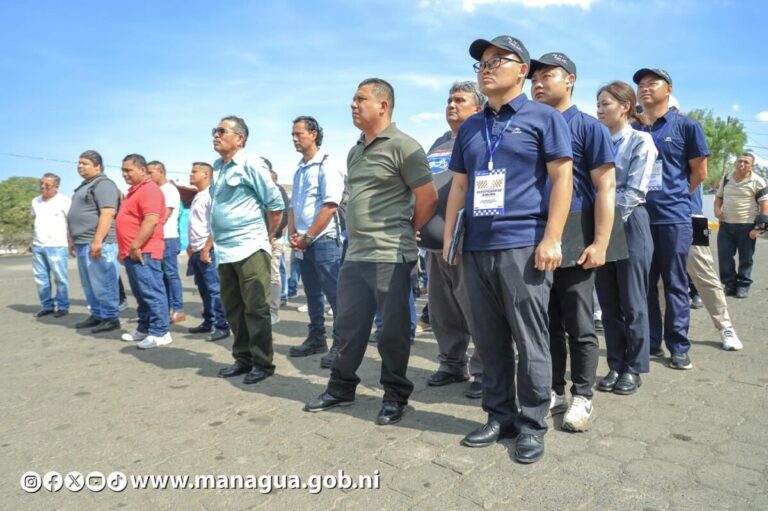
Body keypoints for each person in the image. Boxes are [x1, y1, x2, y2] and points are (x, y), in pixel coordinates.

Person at [443, 36, 573, 463]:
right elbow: (460, 185)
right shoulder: (473, 125)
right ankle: (500, 416)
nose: (487, 66)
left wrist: (553, 238)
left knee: (530, 338)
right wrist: (450, 239)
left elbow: (562, 180)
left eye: (498, 60)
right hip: (478, 247)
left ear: (522, 69)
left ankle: (533, 423)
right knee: (490, 339)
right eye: (483, 61)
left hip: (523, 245)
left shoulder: (544, 118)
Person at [304, 78, 437, 426]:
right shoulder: (355, 150)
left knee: (392, 332)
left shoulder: (405, 147)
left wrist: (408, 229)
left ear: (383, 105)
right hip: (355, 253)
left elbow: (428, 198)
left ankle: (395, 396)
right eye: (352, 98)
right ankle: (341, 388)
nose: (353, 104)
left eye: (360, 99)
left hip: (391, 254)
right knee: (348, 327)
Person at [529, 52, 615, 432]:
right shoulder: (528, 124)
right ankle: (552, 390)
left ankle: (583, 396)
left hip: (577, 234)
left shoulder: (587, 127)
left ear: (571, 80)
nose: (539, 82)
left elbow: (605, 186)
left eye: (548, 75)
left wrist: (600, 242)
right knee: (545, 322)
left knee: (578, 323)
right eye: (535, 77)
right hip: (534, 235)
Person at [633, 68, 708, 370]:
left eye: (653, 83)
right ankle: (651, 341)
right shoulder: (635, 129)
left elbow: (699, 173)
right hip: (638, 217)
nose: (645, 88)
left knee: (675, 283)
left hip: (673, 218)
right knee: (644, 284)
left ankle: (678, 345)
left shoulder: (687, 126)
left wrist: (675, 196)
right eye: (640, 84)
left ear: (669, 89)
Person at [419, 81, 485, 399]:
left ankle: (487, 370)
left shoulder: (484, 138)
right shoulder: (440, 143)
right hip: (435, 245)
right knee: (443, 310)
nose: (451, 105)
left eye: (460, 100)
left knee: (477, 309)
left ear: (479, 108)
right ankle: (451, 363)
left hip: (469, 244)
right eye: (449, 99)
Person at [210, 116, 284, 385]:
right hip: (225, 250)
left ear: (239, 138)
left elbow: (275, 204)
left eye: (221, 131)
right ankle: (243, 359)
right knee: (233, 307)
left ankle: (263, 363)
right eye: (214, 131)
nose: (215, 135)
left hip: (250, 247)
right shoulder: (218, 167)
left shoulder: (251, 163)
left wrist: (268, 236)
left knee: (256, 308)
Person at [593, 81, 656, 395]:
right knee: (608, 300)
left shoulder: (640, 141)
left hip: (629, 224)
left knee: (633, 300)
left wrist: (609, 224)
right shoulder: (599, 141)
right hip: (601, 228)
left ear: (625, 107)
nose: (600, 110)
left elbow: (634, 191)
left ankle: (634, 367)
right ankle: (615, 364)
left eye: (606, 103)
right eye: (598, 104)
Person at [287, 116, 346, 368]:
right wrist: (293, 233)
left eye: (299, 134)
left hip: (322, 240)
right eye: (293, 134)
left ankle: (342, 346)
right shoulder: (300, 168)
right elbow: (294, 206)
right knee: (311, 294)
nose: (294, 138)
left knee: (334, 295)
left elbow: (330, 205)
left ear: (314, 134)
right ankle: (316, 338)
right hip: (303, 242)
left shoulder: (327, 165)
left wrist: (308, 236)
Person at [116, 154, 172, 349]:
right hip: (132, 251)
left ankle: (160, 332)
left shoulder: (149, 190)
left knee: (152, 291)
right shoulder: (132, 192)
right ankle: (145, 327)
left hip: (144, 250)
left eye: (128, 170)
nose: (124, 174)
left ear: (142, 169)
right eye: (123, 170)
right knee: (140, 294)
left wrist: (135, 245)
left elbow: (150, 220)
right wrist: (124, 249)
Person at [68, 150, 122, 334]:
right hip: (83, 242)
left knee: (103, 282)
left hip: (99, 242)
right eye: (79, 163)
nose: (80, 166)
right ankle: (97, 314)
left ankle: (110, 317)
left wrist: (98, 241)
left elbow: (107, 213)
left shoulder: (103, 184)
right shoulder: (84, 186)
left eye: (85, 163)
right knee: (89, 283)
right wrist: (72, 240)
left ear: (97, 166)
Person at [689, 183, 743, 351]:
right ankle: (659, 326)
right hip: (655, 218)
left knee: (705, 276)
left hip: (689, 216)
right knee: (659, 279)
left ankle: (725, 327)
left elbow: (699, 173)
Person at [186, 162, 230, 342]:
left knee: (215, 290)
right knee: (203, 289)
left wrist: (206, 248)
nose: (190, 174)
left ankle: (222, 326)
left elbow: (217, 224)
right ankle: (208, 321)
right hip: (196, 250)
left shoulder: (211, 195)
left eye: (194, 171)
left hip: (208, 251)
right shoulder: (198, 195)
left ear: (206, 174)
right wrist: (191, 245)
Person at [715, 153, 768, 299]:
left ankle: (743, 285)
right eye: (739, 161)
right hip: (726, 225)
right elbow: (719, 197)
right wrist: (717, 209)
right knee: (725, 257)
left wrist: (758, 228)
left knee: (746, 258)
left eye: (746, 162)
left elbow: (764, 204)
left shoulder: (757, 181)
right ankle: (730, 284)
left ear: (752, 165)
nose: (742, 164)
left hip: (747, 226)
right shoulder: (726, 178)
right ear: (735, 163)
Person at [146, 160, 186, 323]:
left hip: (168, 237)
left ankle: (178, 309)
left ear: (161, 172)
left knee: (170, 274)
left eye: (151, 173)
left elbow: (163, 215)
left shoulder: (169, 190)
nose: (148, 176)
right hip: (157, 238)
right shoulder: (156, 190)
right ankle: (166, 308)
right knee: (160, 276)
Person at [31, 172, 71, 318]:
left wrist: (71, 242)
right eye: (41, 184)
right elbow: (34, 220)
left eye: (47, 185)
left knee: (60, 278)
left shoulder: (64, 201)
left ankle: (63, 306)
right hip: (38, 245)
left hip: (57, 245)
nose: (43, 187)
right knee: (41, 278)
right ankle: (47, 306)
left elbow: (71, 222)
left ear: (56, 187)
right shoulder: (35, 201)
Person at [266, 163, 290, 326]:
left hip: (273, 239)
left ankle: (273, 312)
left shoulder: (277, 191)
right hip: (262, 239)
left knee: (274, 274)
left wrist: (272, 235)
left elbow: (284, 215)